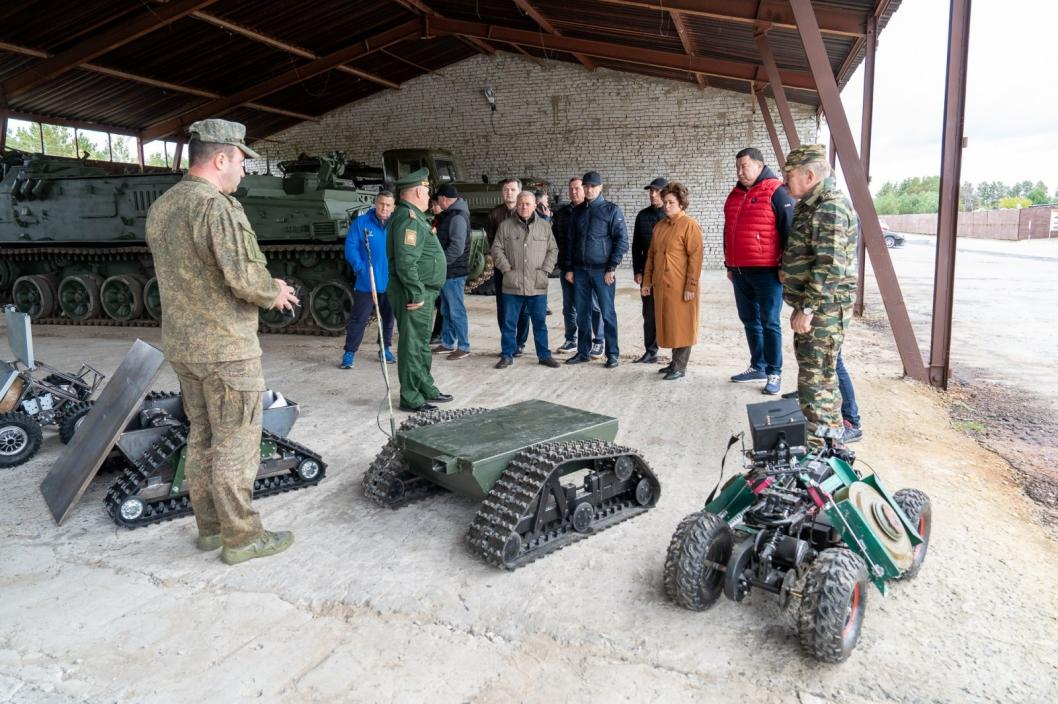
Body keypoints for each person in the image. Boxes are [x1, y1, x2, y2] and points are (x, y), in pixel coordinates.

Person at [145, 118, 299, 565]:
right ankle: (243, 537)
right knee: (236, 441)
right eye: (240, 162)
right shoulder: (215, 208)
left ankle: (210, 529)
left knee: (203, 437)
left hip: (184, 346)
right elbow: (244, 277)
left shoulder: (165, 206)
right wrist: (276, 291)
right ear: (219, 159)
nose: (244, 172)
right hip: (226, 349)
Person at [781, 144, 858, 449]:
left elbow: (830, 265)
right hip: (814, 307)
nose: (785, 180)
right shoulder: (809, 204)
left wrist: (808, 308)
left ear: (809, 175)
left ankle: (822, 450)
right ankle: (822, 441)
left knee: (819, 380)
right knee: (814, 375)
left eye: (790, 174)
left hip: (825, 310)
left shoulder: (830, 207)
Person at [724, 147, 796, 395]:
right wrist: (729, 265)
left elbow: (789, 232)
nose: (740, 171)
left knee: (770, 322)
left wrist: (785, 268)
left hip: (767, 272)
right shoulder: (734, 195)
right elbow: (728, 232)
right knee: (749, 321)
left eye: (744, 166)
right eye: (737, 167)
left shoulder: (776, 191)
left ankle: (774, 372)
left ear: (759, 165)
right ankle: (758, 365)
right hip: (740, 271)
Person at [386, 168, 454, 413]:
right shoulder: (409, 220)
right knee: (413, 345)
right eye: (426, 192)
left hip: (425, 291)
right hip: (415, 293)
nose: (429, 198)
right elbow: (406, 261)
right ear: (417, 191)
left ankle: (425, 386)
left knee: (422, 344)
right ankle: (411, 396)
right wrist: (415, 292)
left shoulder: (413, 217)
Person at [563, 170, 628, 369]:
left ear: (600, 188)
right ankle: (583, 352)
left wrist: (611, 267)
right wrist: (570, 268)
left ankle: (612, 354)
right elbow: (570, 242)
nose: (589, 189)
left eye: (593, 186)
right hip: (580, 270)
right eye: (586, 186)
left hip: (603, 272)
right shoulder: (578, 212)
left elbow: (621, 241)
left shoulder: (611, 210)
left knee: (607, 313)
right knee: (582, 313)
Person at [640, 182, 703, 380]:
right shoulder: (660, 226)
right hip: (662, 285)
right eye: (665, 202)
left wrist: (690, 285)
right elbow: (651, 256)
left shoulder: (689, 225)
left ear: (681, 203)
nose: (666, 206)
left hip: (681, 285)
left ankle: (680, 366)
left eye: (671, 202)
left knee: (682, 325)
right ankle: (674, 363)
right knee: (669, 324)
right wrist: (647, 282)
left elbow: (696, 257)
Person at [491, 191, 560, 369]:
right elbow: (496, 249)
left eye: (528, 204)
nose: (524, 207)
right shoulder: (505, 226)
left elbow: (553, 250)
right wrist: (506, 268)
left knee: (540, 323)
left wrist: (545, 270)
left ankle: (544, 355)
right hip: (512, 285)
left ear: (535, 205)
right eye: (521, 203)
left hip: (537, 284)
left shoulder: (544, 226)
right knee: (508, 324)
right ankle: (507, 355)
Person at [341, 191, 396, 369]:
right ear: (375, 203)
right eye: (381, 204)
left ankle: (385, 348)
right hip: (367, 280)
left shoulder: (396, 225)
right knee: (359, 318)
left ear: (393, 207)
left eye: (388, 205)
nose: (384, 208)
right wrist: (360, 267)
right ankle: (349, 353)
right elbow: (351, 247)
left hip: (390, 282)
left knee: (388, 318)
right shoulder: (361, 223)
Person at [551, 177, 603, 355]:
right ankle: (571, 339)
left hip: (587, 268)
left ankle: (599, 340)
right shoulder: (563, 213)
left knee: (594, 305)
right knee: (569, 306)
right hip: (567, 267)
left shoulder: (593, 211)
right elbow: (558, 241)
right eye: (571, 189)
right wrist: (565, 266)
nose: (574, 192)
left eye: (577, 188)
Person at [486, 178, 529, 355]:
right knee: (503, 306)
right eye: (505, 190)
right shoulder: (495, 214)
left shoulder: (527, 212)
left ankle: (520, 342)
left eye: (512, 190)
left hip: (523, 268)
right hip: (502, 269)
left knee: (523, 307)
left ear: (519, 191)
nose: (508, 193)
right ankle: (508, 342)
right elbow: (492, 241)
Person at [431, 184, 472, 360]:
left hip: (453, 272)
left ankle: (463, 346)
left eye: (438, 199)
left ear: (443, 199)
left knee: (456, 310)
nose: (438, 203)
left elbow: (456, 247)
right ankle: (448, 343)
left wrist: (440, 263)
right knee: (446, 309)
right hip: (449, 271)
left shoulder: (457, 217)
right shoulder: (451, 215)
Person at [632, 177, 668, 363]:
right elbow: (636, 246)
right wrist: (638, 271)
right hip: (647, 273)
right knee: (649, 314)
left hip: (668, 274)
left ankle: (676, 354)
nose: (653, 195)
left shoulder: (672, 216)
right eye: (651, 191)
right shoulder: (642, 216)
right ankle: (651, 351)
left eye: (657, 191)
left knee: (670, 313)